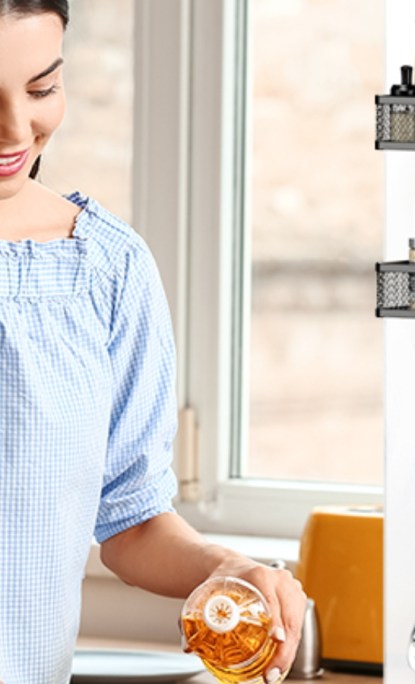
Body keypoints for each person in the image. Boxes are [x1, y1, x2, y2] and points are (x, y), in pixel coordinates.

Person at [0, 2, 306, 682]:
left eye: (42, 88)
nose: (15, 130)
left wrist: (230, 567)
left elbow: (132, 520)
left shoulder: (109, 270)